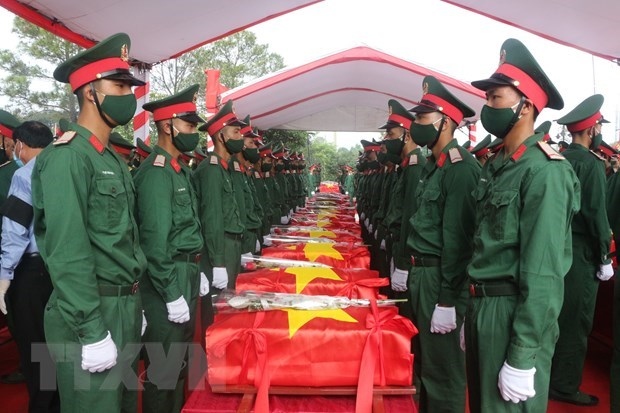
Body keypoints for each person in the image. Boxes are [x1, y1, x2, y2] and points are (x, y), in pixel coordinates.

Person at [31, 32, 148, 413]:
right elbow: (67, 250)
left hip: (121, 305)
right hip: (89, 310)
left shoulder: (109, 158)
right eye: (118, 85)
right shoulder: (68, 157)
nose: (128, 95)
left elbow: (122, 239)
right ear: (90, 92)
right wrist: (92, 329)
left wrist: (134, 301)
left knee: (124, 404)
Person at [465, 38, 580, 413]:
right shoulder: (499, 165)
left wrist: (523, 352)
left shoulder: (545, 172)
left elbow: (544, 273)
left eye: (495, 99)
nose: (487, 107)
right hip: (485, 306)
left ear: (526, 106)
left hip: (513, 314)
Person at [406, 75, 480, 413]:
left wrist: (449, 299)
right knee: (425, 363)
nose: (415, 125)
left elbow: (459, 241)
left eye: (422, 119)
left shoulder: (460, 168)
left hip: (441, 280)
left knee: (444, 370)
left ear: (446, 122)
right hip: (424, 275)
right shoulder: (433, 168)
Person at [134, 84, 206, 413]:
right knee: (163, 372)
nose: (195, 134)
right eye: (190, 126)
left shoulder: (179, 171)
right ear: (167, 125)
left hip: (185, 272)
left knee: (177, 368)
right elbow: (154, 243)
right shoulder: (155, 175)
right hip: (168, 280)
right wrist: (171, 291)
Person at [548, 94, 612, 406]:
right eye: (599, 126)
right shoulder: (591, 165)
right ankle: (564, 385)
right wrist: (603, 256)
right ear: (591, 129)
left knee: (555, 318)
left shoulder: (558, 158)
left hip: (555, 251)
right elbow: (596, 215)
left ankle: (548, 376)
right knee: (576, 324)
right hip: (582, 253)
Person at [0, 121, 59, 412]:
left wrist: (4, 276)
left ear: (20, 145)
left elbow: (15, 229)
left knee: (37, 351)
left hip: (32, 274)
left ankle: (44, 406)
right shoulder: (64, 168)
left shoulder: (24, 175)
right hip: (61, 271)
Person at [192, 100, 245, 330]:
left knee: (228, 310)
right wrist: (218, 263)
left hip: (230, 245)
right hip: (219, 247)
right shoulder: (211, 170)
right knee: (216, 315)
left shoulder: (224, 168)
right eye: (235, 132)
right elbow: (212, 218)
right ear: (221, 137)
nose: (240, 137)